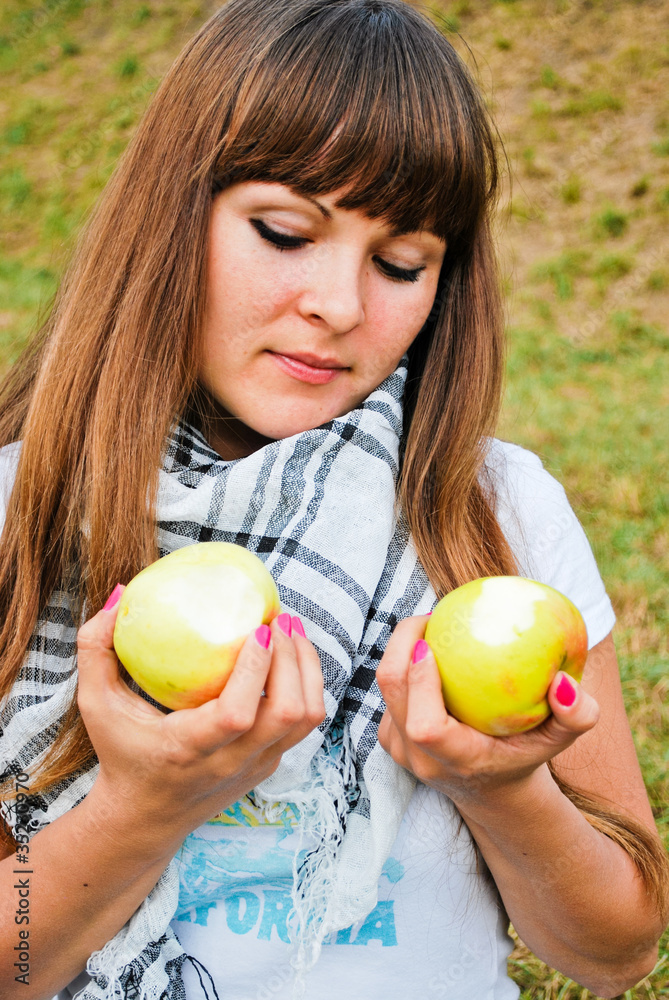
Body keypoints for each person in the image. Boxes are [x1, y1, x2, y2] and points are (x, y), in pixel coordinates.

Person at [0, 1, 667, 998]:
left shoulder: (498, 514)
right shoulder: (21, 512)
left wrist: (505, 785)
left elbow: (617, 953)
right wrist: (144, 804)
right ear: (172, 215)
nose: (341, 306)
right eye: (284, 231)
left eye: (402, 263)